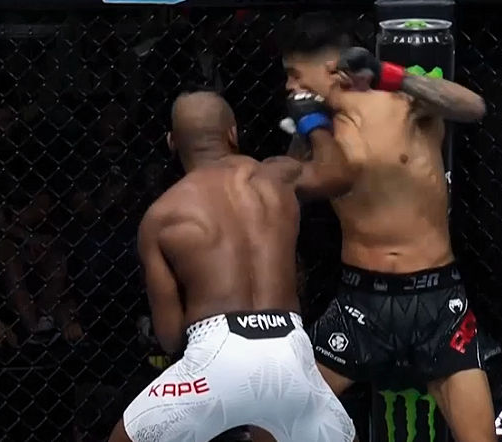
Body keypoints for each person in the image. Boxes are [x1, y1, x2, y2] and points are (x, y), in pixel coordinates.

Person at [272, 13, 496, 442]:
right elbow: (288, 192)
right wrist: (304, 129)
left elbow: (473, 107)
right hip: (361, 302)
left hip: (437, 300)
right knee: (273, 424)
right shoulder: (317, 132)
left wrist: (393, 75)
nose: (288, 86)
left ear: (330, 69)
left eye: (294, 74)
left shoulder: (400, 102)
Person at [109, 90, 356, 442]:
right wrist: (311, 119)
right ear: (232, 133)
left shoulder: (161, 216)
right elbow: (339, 174)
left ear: (172, 142)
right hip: (288, 350)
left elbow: (170, 336)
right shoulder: (277, 177)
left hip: (215, 355)